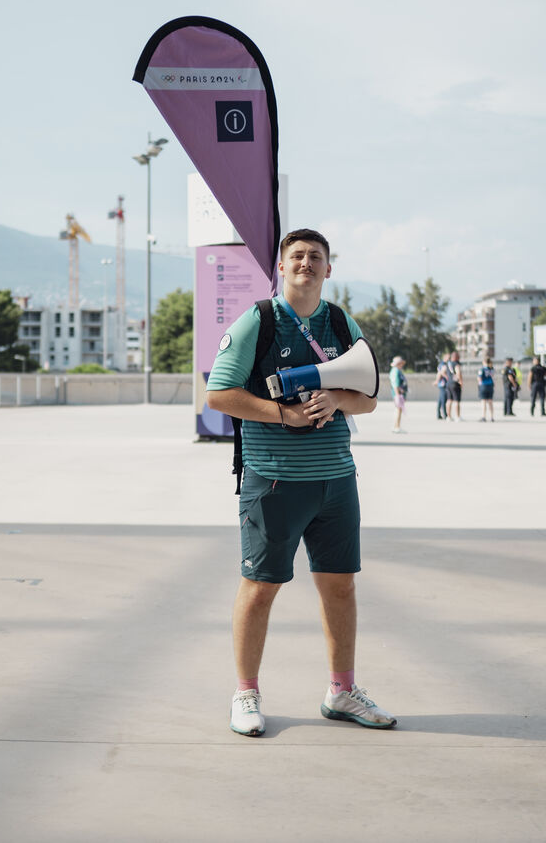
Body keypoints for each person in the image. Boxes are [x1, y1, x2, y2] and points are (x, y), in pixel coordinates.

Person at [204, 228, 393, 738]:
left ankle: (342, 691)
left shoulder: (341, 322)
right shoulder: (259, 321)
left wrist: (337, 400)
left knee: (340, 586)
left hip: (337, 480)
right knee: (260, 588)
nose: (307, 263)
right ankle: (246, 694)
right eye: (297, 256)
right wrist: (283, 414)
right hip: (273, 482)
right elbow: (218, 394)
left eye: (316, 257)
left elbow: (370, 398)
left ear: (329, 269)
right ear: (282, 268)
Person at [389, 355, 407, 433]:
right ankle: (397, 427)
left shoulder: (397, 370)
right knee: (398, 410)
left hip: (399, 393)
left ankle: (396, 426)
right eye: (401, 363)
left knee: (398, 409)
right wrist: (397, 395)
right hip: (397, 394)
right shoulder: (395, 371)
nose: (402, 365)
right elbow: (395, 384)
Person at [445, 350, 463, 421]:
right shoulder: (456, 364)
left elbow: (442, 372)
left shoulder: (448, 364)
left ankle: (448, 416)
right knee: (456, 400)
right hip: (455, 384)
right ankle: (457, 417)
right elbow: (458, 372)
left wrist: (448, 378)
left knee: (449, 400)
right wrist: (460, 381)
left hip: (448, 383)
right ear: (456, 357)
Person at [477, 355, 495, 421]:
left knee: (483, 402)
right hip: (490, 386)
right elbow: (492, 376)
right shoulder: (492, 369)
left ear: (484, 362)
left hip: (483, 386)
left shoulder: (482, 369)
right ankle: (492, 417)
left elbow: (479, 378)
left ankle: (483, 416)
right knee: (490, 402)